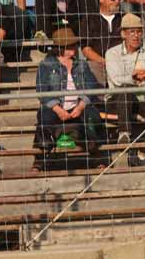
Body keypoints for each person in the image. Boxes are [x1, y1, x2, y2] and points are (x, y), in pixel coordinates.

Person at [35, 27, 105, 170]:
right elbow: (42, 90)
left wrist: (81, 106)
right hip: (55, 107)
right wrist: (57, 109)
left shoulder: (81, 64)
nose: (74, 47)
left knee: (92, 116)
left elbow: (91, 86)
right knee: (44, 117)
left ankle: (96, 156)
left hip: (78, 106)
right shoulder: (46, 65)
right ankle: (40, 158)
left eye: (74, 44)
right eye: (70, 45)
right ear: (61, 47)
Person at [105, 13, 145, 164]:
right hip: (118, 101)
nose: (136, 36)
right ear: (123, 34)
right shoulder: (112, 53)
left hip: (143, 100)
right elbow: (116, 80)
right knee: (125, 90)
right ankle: (124, 132)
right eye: (132, 32)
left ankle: (139, 148)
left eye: (139, 31)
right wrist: (133, 78)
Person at [78, 0, 123, 85]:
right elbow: (86, 49)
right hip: (98, 64)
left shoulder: (124, 18)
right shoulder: (89, 20)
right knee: (91, 67)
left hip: (121, 63)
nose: (117, 1)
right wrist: (105, 62)